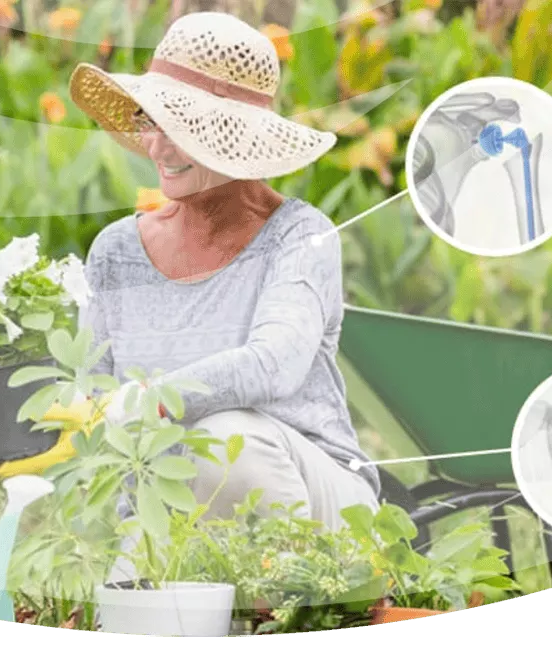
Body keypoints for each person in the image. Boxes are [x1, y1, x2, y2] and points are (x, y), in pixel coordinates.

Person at [66, 12, 380, 531]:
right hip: (171, 512)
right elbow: (95, 408)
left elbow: (272, 364)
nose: (157, 147)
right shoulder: (116, 252)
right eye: (149, 121)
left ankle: (294, 604)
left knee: (228, 441)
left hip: (318, 497)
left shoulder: (300, 237)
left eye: (180, 127)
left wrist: (148, 400)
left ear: (233, 132)